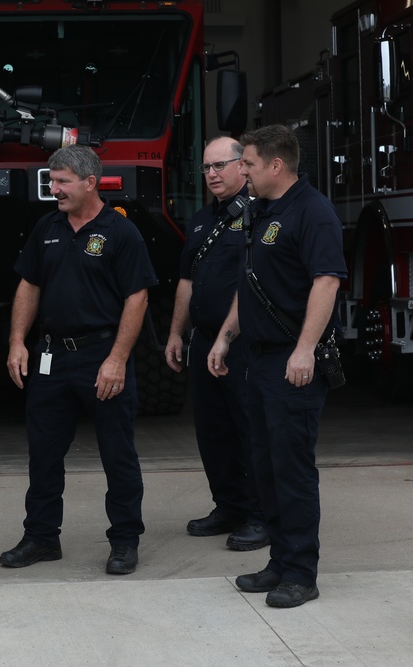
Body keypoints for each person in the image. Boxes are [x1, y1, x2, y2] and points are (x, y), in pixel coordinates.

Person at [2, 144, 157, 575]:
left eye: (63, 181)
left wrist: (117, 360)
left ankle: (125, 541)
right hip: (51, 357)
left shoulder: (121, 232)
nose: (55, 189)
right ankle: (41, 538)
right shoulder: (46, 228)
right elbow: (29, 286)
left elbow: (137, 298)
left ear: (90, 182)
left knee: (117, 453)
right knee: (44, 454)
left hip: (101, 357)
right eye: (53, 181)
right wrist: (18, 341)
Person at [207, 124, 345, 608]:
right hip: (258, 360)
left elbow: (326, 283)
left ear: (275, 165)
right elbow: (250, 285)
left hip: (293, 363)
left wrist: (305, 349)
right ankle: (280, 561)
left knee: (292, 470)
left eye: (246, 163)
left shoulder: (313, 212)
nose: (240, 170)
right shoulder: (259, 211)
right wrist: (226, 337)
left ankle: (301, 573)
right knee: (264, 466)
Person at [164, 136, 268, 551]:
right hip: (203, 339)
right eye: (206, 168)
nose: (211, 175)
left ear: (244, 167)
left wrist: (226, 336)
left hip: (241, 342)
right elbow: (187, 280)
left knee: (249, 428)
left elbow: (251, 283)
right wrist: (175, 331)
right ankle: (229, 505)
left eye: (219, 166)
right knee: (212, 430)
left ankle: (261, 515)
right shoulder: (201, 220)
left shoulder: (259, 216)